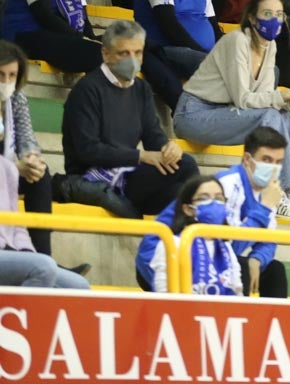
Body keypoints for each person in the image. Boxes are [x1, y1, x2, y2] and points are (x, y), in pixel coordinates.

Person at [172, 0, 290, 222]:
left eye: (279, 15)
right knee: (272, 113)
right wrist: (288, 94)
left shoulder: (270, 47)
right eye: (268, 13)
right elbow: (243, 98)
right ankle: (277, 191)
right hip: (193, 113)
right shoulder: (237, 41)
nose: (274, 20)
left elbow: (265, 98)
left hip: (225, 112)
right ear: (252, 18)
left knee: (281, 115)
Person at [57, 21, 198, 218]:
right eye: (124, 53)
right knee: (188, 167)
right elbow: (87, 151)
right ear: (105, 54)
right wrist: (140, 157)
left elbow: (153, 137)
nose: (132, 60)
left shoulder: (141, 89)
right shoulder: (87, 90)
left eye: (138, 53)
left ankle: (173, 246)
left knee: (183, 192)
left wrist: (168, 148)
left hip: (130, 173)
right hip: (95, 176)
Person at [136, 126, 289, 297]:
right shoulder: (226, 185)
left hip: (204, 253)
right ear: (247, 159)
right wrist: (264, 208)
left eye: (278, 162)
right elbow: (229, 246)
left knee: (274, 271)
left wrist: (258, 258)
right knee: (240, 266)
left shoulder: (269, 191)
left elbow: (269, 238)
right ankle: (234, 321)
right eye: (267, 160)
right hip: (160, 257)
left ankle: (267, 323)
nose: (273, 168)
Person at [0, 156, 89, 290]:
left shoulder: (6, 165)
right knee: (43, 268)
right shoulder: (10, 166)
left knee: (79, 285)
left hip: (9, 251)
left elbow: (16, 224)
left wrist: (26, 251)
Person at [0, 41, 52, 255]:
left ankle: (43, 256)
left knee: (40, 174)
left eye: (12, 75)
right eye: (1, 75)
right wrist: (13, 167)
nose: (6, 81)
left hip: (9, 170)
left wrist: (31, 158)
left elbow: (26, 136)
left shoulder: (16, 98)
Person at [148, 176, 242, 295]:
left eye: (219, 198)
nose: (214, 204)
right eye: (204, 198)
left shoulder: (226, 247)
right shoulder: (172, 244)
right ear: (188, 209)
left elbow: (238, 293)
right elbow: (164, 294)